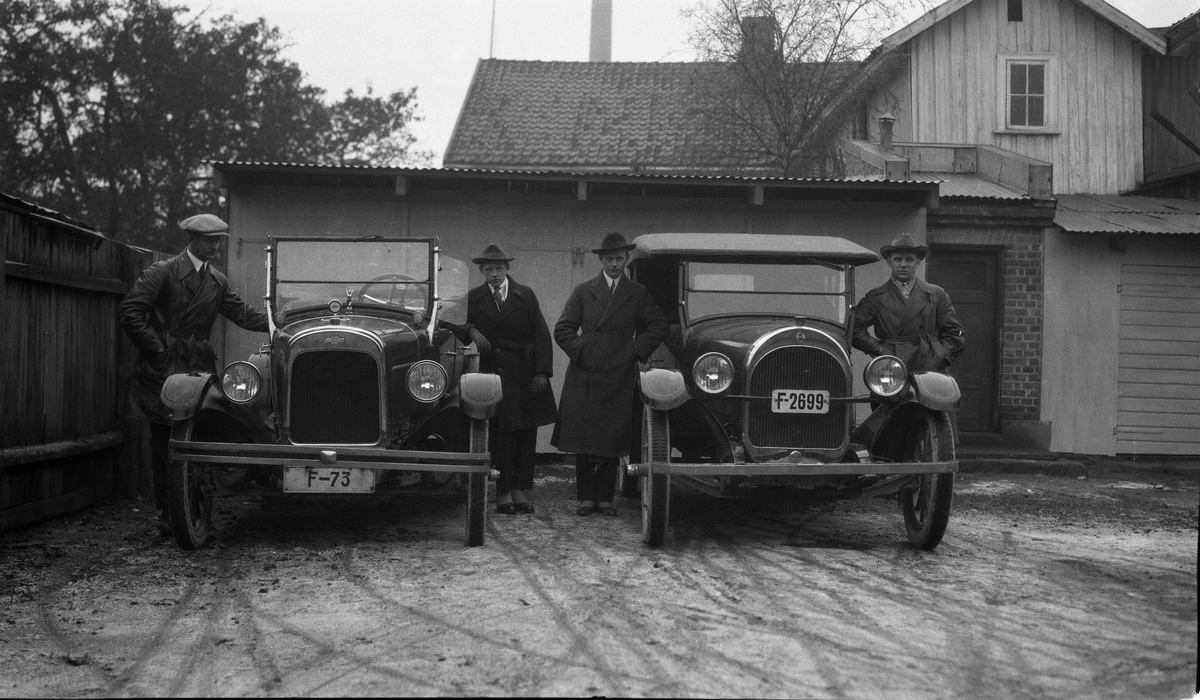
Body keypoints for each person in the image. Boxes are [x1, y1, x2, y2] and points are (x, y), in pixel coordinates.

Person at [117, 214, 269, 536]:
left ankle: (191, 513)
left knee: (196, 440)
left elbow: (241, 313)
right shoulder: (163, 272)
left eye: (218, 241)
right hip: (163, 370)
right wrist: (158, 349)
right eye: (208, 240)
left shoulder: (217, 281)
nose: (214, 246)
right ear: (192, 240)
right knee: (165, 444)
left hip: (197, 369)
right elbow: (130, 311)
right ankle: (168, 517)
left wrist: (276, 323)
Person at [552, 232, 668, 516]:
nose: (614, 264)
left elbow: (658, 326)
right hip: (585, 373)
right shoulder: (584, 290)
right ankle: (585, 498)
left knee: (610, 437)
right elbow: (563, 329)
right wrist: (585, 350)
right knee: (584, 436)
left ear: (627, 259)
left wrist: (633, 351)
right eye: (609, 259)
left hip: (619, 373)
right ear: (601, 261)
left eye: (619, 259)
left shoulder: (637, 293)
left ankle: (604, 499)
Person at [452, 244, 557, 514]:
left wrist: (542, 371)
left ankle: (520, 490)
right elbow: (447, 318)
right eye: (489, 270)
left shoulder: (526, 295)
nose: (494, 274)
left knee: (524, 433)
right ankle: (502, 492)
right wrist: (471, 329)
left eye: (499, 269)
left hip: (525, 372)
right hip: (492, 372)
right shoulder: (474, 297)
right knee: (501, 435)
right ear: (481, 272)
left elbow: (541, 335)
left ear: (508, 269)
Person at [852, 232, 965, 375]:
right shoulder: (875, 297)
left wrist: (939, 355)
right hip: (891, 366)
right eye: (898, 259)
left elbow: (955, 333)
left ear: (917, 262)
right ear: (889, 262)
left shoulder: (936, 294)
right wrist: (880, 349)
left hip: (929, 367)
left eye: (909, 259)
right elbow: (854, 329)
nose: (903, 265)